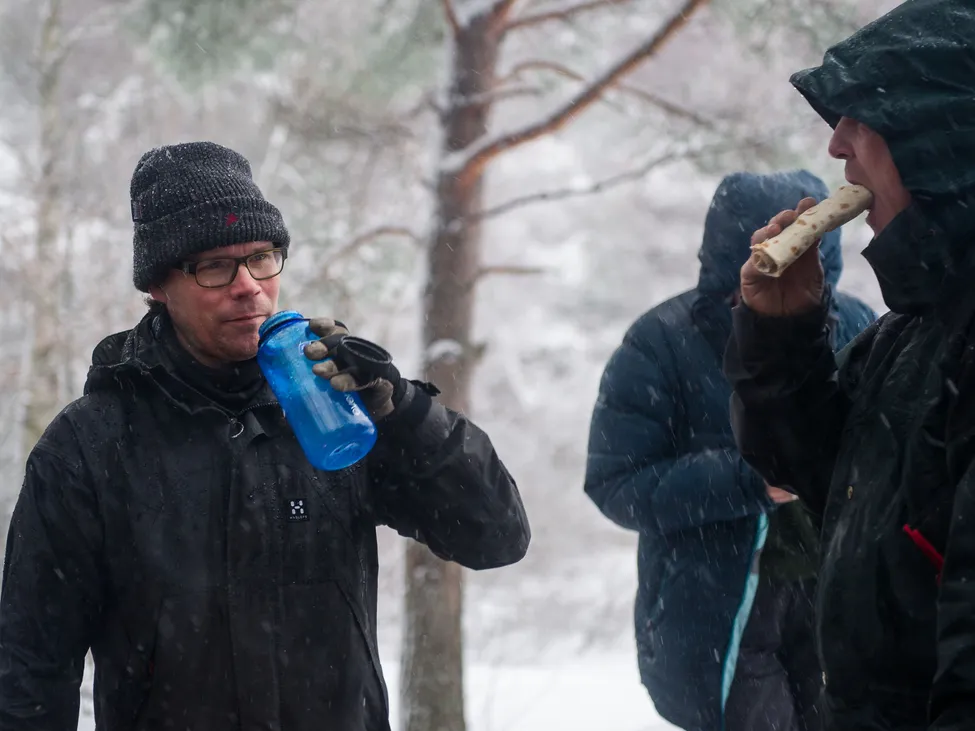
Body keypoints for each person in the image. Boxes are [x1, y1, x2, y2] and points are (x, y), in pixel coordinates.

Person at [0, 141, 530, 731]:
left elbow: (497, 536)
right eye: (214, 266)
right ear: (157, 285)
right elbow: (30, 666)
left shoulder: (335, 411)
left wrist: (406, 414)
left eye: (262, 257)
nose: (249, 285)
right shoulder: (89, 446)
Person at [723, 1, 975, 729]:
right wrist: (779, 335)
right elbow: (832, 483)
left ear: (942, 140)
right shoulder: (918, 329)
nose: (836, 147)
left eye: (862, 118)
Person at [584, 170, 875, 731]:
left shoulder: (858, 328)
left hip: (837, 599)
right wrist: (748, 481)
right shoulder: (661, 342)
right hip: (715, 615)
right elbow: (615, 484)